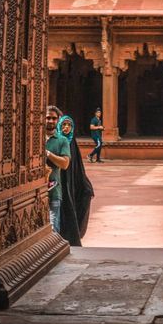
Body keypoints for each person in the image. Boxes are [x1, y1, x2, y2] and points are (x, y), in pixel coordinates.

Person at [57, 115, 94, 246]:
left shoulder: (72, 142)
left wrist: (85, 184)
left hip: (71, 183)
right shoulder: (57, 141)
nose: (66, 127)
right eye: (63, 125)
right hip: (58, 182)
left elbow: (78, 166)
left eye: (69, 125)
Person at [45, 105, 71, 234]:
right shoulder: (34, 138)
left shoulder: (62, 140)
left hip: (53, 190)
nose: (50, 121)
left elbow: (65, 164)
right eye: (48, 117)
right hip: (33, 193)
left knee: (53, 229)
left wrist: (48, 154)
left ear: (58, 120)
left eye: (54, 118)